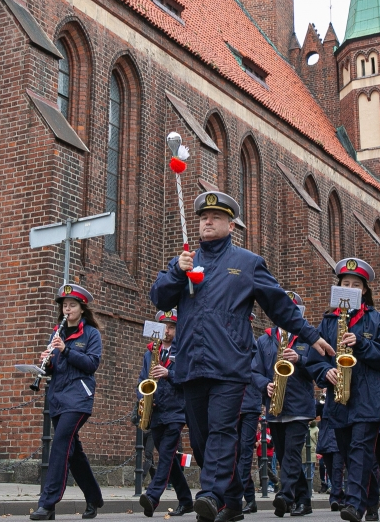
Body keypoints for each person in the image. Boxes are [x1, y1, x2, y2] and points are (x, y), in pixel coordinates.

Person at [149, 191, 334, 522]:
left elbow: (279, 306)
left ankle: (210, 495)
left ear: (231, 225)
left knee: (222, 432)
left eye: (216, 217)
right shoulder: (186, 261)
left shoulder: (247, 263)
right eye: (203, 218)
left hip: (230, 366)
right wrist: (177, 271)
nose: (207, 221)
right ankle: (233, 501)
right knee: (204, 442)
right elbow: (159, 299)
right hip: (191, 365)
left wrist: (312, 335)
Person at [307, 257, 380, 522]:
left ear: (363, 290)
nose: (350, 287)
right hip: (339, 399)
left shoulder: (379, 322)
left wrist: (361, 344)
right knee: (351, 454)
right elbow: (313, 358)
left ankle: (354, 504)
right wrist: (324, 371)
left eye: (355, 284)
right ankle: (371, 501)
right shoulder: (328, 323)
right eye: (345, 283)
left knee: (361, 449)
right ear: (338, 288)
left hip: (369, 397)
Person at [30, 285, 104, 521]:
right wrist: (47, 362)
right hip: (58, 397)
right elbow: (57, 368)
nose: (67, 309)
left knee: (60, 444)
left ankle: (47, 503)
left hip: (79, 398)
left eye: (72, 305)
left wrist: (67, 350)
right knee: (73, 452)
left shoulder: (91, 334)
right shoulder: (57, 332)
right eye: (64, 305)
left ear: (82, 308)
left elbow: (92, 364)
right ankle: (93, 497)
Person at [253, 292, 317, 517]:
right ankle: (304, 500)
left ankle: (285, 495)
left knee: (291, 453)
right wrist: (265, 386)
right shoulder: (264, 339)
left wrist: (300, 360)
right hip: (275, 407)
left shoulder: (307, 338)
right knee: (283, 455)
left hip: (299, 407)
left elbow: (318, 369)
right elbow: (254, 371)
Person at [138, 310, 193, 518]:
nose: (167, 331)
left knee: (167, 454)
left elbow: (188, 377)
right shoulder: (150, 353)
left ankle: (152, 495)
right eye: (164, 327)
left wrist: (169, 373)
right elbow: (142, 379)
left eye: (172, 327)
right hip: (156, 410)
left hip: (176, 409)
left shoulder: (185, 351)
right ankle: (187, 501)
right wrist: (141, 398)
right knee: (168, 457)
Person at [235, 313, 264, 515]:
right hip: (234, 405)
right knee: (235, 453)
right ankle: (251, 499)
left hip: (251, 404)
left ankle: (236, 497)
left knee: (245, 451)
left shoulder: (255, 348)